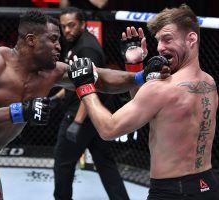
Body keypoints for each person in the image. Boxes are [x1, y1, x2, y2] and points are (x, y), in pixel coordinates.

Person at [0, 9, 170, 199]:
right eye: (53, 39)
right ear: (31, 39)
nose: (59, 46)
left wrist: (140, 75)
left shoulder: (52, 72)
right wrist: (17, 112)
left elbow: (101, 78)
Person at [68, 4, 219, 200]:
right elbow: (152, 113)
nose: (160, 48)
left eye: (167, 39)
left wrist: (84, 87)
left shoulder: (161, 88)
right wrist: (134, 66)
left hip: (171, 192)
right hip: (207, 185)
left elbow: (108, 129)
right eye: (158, 41)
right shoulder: (209, 83)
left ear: (191, 38)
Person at [51, 7, 129, 200]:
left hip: (82, 114)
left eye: (71, 25)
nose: (67, 30)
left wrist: (77, 123)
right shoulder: (73, 43)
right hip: (91, 116)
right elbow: (75, 80)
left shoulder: (86, 48)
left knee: (63, 163)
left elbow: (89, 87)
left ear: (83, 25)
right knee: (105, 163)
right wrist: (58, 96)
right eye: (64, 27)